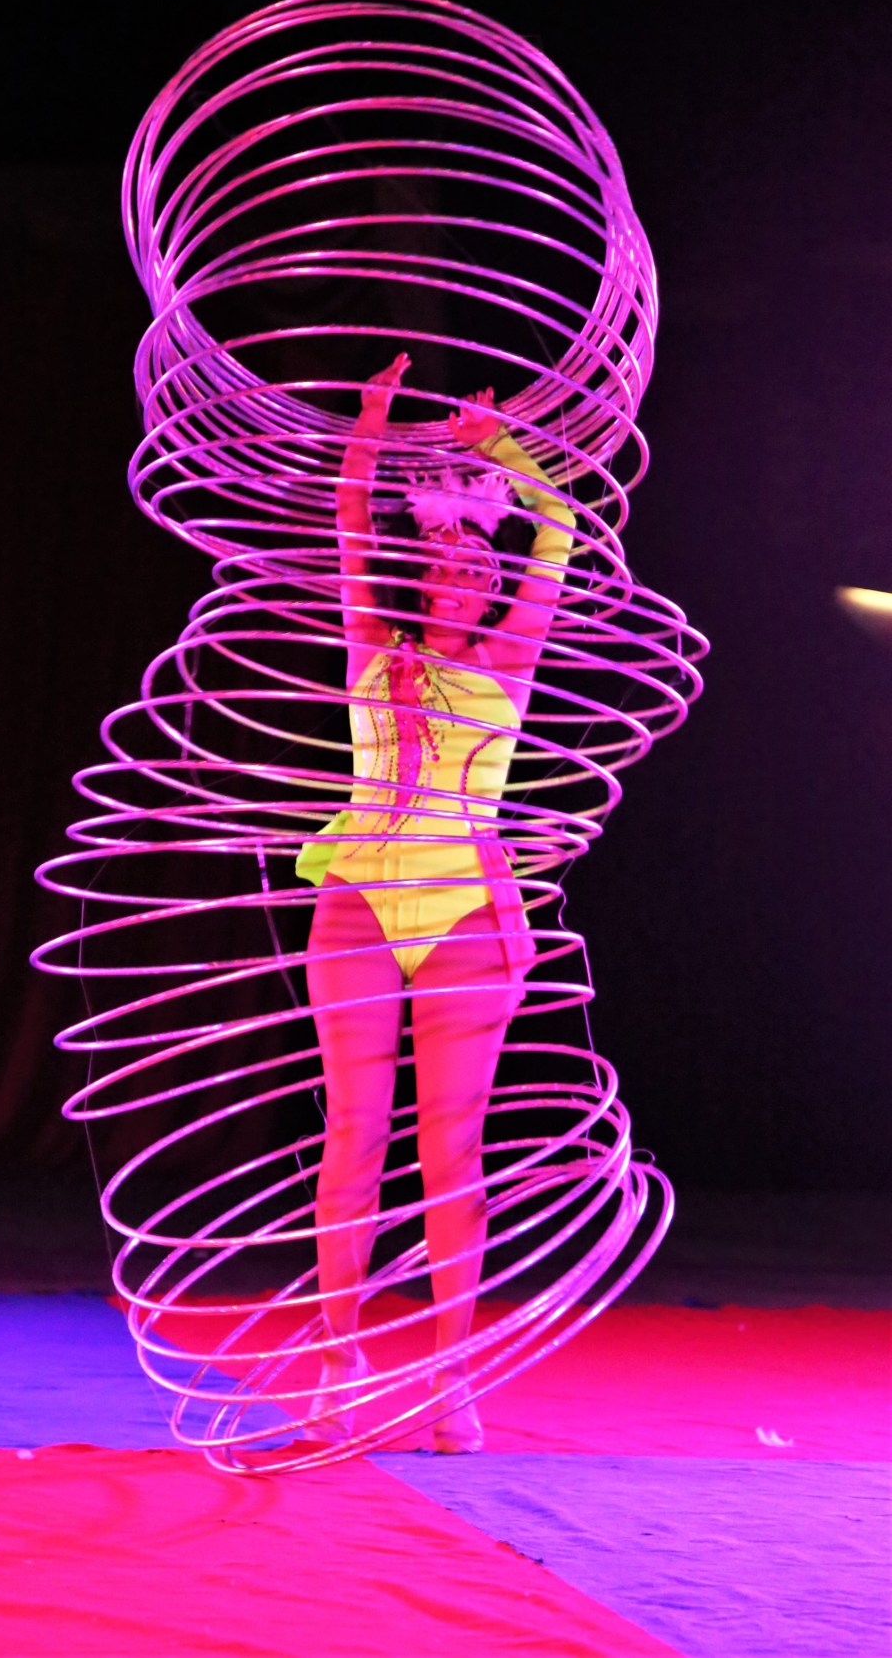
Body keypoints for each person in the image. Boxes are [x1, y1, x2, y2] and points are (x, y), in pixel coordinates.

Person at [299, 353, 575, 1451]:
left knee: (450, 1148)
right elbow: (347, 527)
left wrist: (497, 448)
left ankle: (452, 1374)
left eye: (477, 558)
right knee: (353, 1134)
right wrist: (369, 429)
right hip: (359, 903)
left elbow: (560, 525)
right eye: (445, 555)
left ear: (491, 576)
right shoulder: (373, 640)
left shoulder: (512, 654)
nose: (460, 570)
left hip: (464, 910)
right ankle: (338, 1360)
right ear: (424, 571)